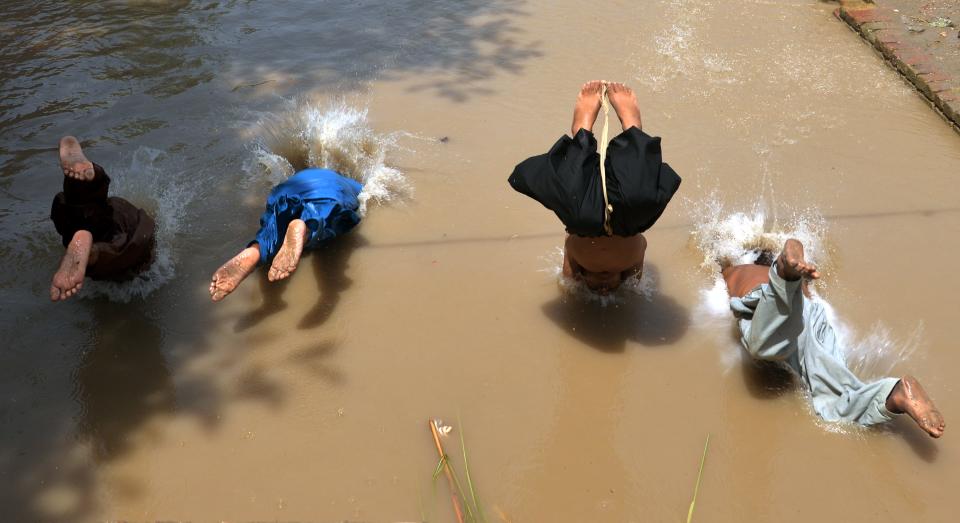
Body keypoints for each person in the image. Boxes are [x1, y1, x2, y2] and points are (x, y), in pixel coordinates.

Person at [723, 238, 945, 438]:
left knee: (762, 345)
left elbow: (722, 285)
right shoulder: (804, 280)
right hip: (812, 317)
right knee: (837, 396)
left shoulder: (738, 270)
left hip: (768, 303)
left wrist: (723, 265)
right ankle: (893, 395)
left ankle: (783, 275)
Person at [508, 81, 681, 295]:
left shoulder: (574, 258)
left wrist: (573, 285)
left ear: (582, 274)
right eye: (610, 287)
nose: (604, 286)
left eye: (596, 286)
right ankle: (632, 128)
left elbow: (567, 280)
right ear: (623, 276)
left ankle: (582, 132)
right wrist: (626, 289)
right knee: (640, 196)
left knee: (572, 195)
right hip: (627, 218)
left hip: (585, 214)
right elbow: (636, 286)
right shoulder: (633, 263)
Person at [209, 167, 362, 301]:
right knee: (326, 218)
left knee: (273, 227)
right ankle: (307, 230)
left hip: (289, 190)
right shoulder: (350, 183)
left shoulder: (303, 174)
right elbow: (365, 194)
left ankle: (255, 251)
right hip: (330, 189)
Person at [49, 136, 156, 301]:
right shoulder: (127, 215)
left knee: (81, 211)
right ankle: (92, 252)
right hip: (126, 235)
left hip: (78, 220)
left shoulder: (107, 208)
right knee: (137, 250)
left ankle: (80, 184)